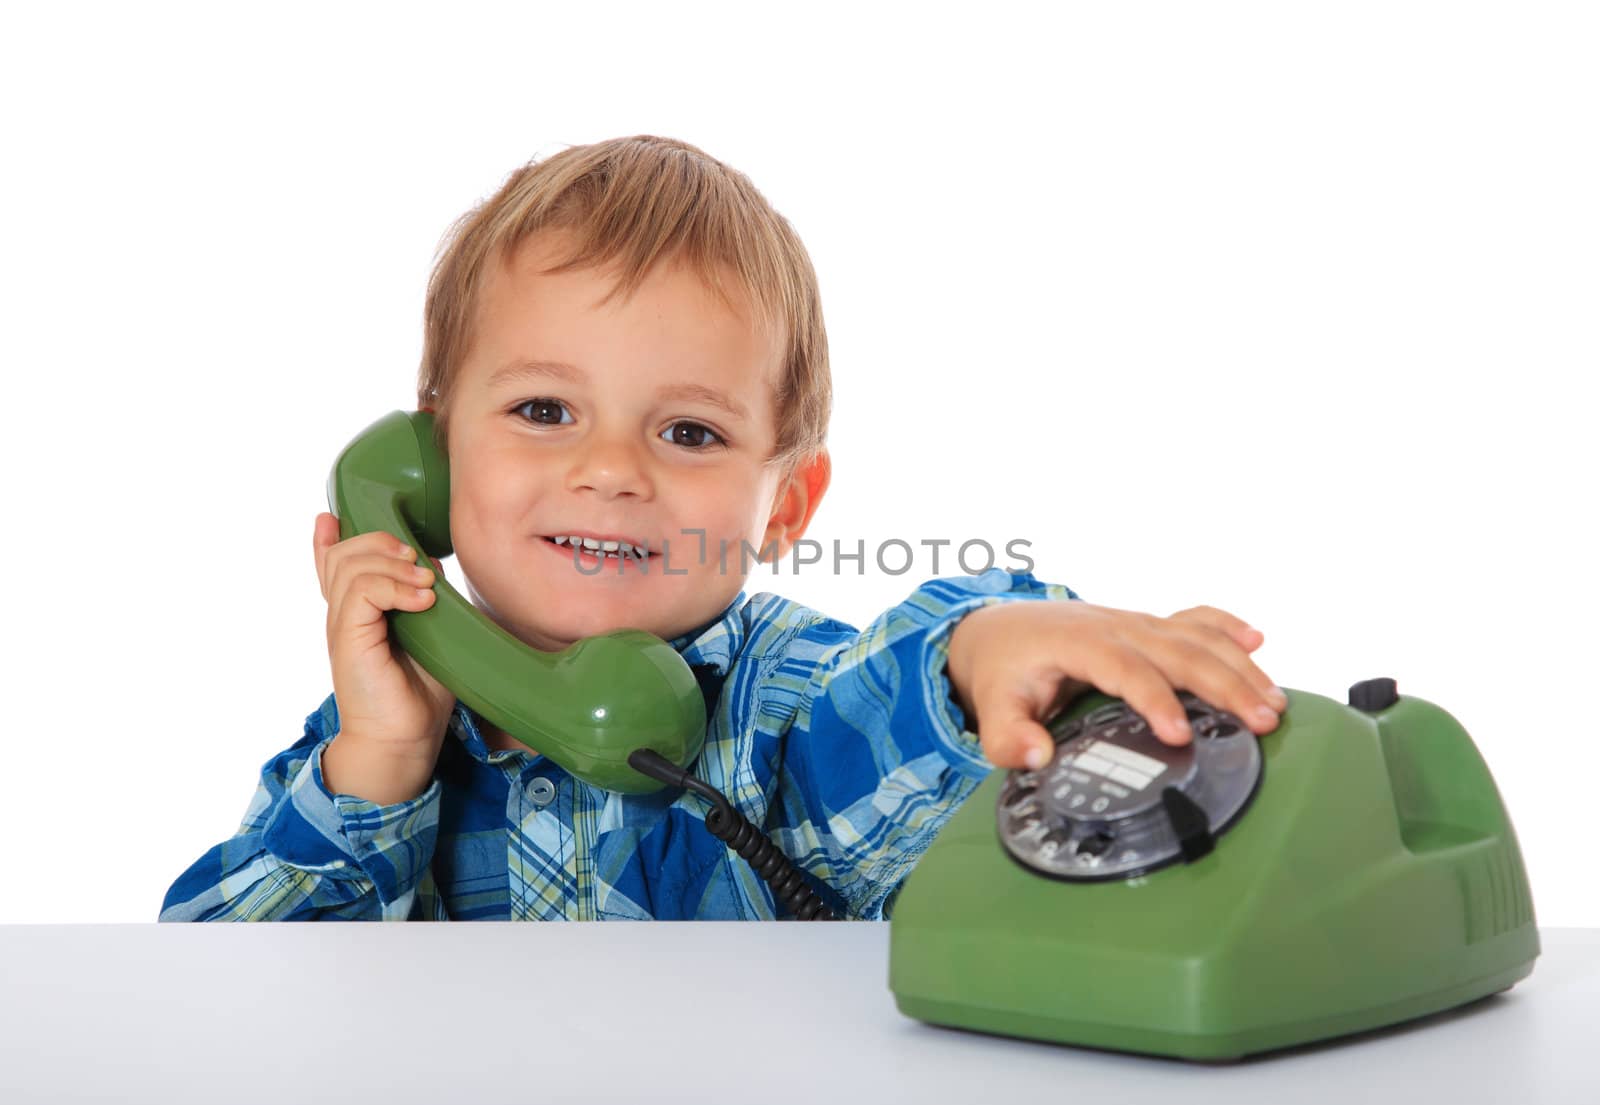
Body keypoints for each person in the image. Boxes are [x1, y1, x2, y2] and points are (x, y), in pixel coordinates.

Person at [160, 135, 1286, 922]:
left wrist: (976, 649)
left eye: (689, 432)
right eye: (544, 410)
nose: (608, 471)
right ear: (432, 460)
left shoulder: (784, 704)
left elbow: (881, 726)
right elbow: (225, 994)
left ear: (785, 505)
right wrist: (382, 765)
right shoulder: (373, 736)